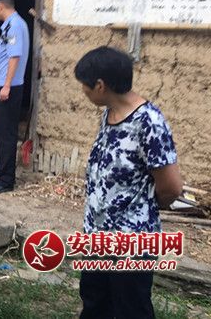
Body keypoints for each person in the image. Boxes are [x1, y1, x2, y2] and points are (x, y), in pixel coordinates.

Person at [74, 46, 183, 319]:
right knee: (95, 303)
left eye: (85, 85)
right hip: (97, 235)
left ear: (100, 86)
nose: (83, 91)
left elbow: (171, 187)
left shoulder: (149, 122)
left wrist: (140, 209)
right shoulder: (109, 113)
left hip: (131, 241)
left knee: (131, 309)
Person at [0, 0, 29, 194]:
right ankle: (2, 173)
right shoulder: (14, 24)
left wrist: (7, 85)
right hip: (5, 85)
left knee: (6, 135)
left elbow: (14, 56)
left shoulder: (14, 25)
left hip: (8, 87)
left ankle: (5, 181)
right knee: (2, 132)